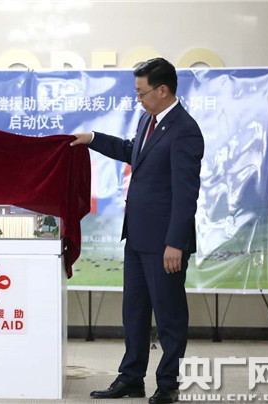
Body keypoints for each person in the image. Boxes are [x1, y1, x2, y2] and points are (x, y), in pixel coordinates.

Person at [71, 58, 204, 404]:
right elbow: (134, 152)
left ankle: (168, 384)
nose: (138, 99)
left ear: (163, 90)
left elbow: (186, 194)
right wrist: (92, 139)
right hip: (137, 236)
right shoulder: (148, 119)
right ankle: (131, 378)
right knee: (134, 313)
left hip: (165, 243)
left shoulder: (185, 130)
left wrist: (176, 242)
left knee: (169, 316)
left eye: (142, 93)